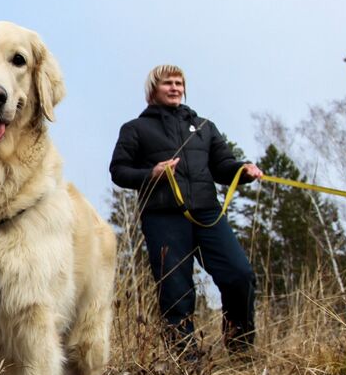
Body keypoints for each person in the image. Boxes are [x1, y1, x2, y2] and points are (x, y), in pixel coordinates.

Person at [109, 64, 263, 356]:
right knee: (175, 290)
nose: (175, 88)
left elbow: (223, 166)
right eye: (168, 83)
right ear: (153, 90)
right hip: (162, 217)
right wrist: (152, 173)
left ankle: (240, 347)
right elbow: (119, 171)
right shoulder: (135, 129)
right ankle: (185, 361)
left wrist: (243, 170)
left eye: (179, 83)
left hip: (207, 214)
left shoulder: (204, 127)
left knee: (240, 274)